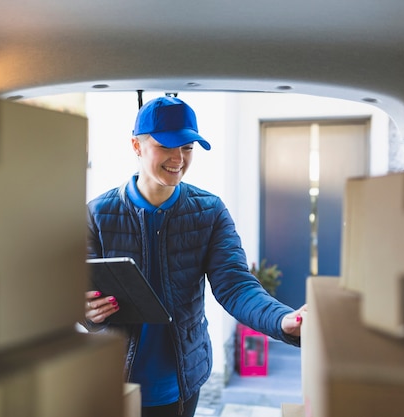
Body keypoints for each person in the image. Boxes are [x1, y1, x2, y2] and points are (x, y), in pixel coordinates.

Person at [84, 96, 306, 417]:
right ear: (136, 145)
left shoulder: (209, 211)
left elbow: (236, 286)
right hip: (115, 381)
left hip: (181, 383)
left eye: (188, 147)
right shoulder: (98, 214)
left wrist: (282, 320)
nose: (179, 158)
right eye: (167, 146)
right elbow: (78, 294)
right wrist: (87, 310)